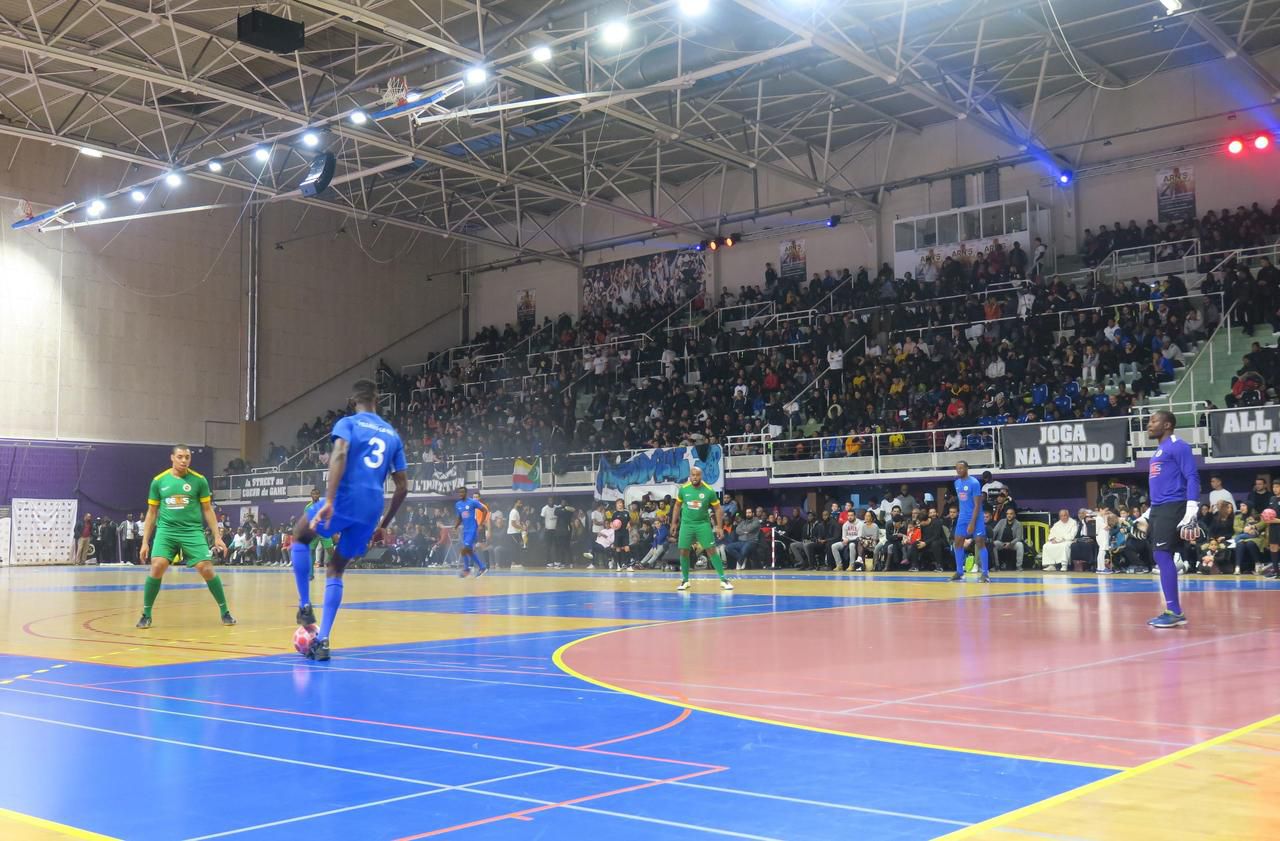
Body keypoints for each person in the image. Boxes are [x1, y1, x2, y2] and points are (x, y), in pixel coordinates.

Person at [290, 379, 409, 660]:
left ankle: (305, 605)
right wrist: (383, 524)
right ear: (376, 400)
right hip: (372, 508)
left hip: (345, 497)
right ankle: (324, 640)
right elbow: (403, 486)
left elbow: (340, 453)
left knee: (300, 536)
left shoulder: (348, 423)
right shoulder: (392, 434)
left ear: (352, 400)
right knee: (336, 568)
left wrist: (329, 501)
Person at [136, 446, 232, 628]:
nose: (184, 460)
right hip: (166, 531)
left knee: (206, 568)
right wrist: (144, 542)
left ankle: (225, 611)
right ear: (172, 457)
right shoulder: (158, 481)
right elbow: (151, 512)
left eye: (187, 457)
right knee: (157, 565)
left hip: (192, 531)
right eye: (180, 457)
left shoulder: (199, 481)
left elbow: (207, 510)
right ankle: (146, 614)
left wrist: (217, 536)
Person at [1135, 410, 1200, 628]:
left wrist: (1192, 509)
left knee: (1162, 555)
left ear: (1168, 425)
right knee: (1160, 555)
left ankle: (1174, 611)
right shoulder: (1159, 451)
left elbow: (1192, 477)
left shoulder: (1178, 446)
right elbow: (1160, 489)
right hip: (1159, 508)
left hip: (1174, 506)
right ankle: (1173, 608)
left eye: (1153, 421)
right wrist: (1146, 516)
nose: (1149, 425)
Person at [669, 465, 733, 591]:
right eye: (693, 475)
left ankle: (723, 579)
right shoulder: (683, 489)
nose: (695, 477)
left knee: (711, 550)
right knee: (683, 551)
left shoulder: (709, 490)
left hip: (703, 524)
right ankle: (685, 580)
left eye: (697, 475)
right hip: (686, 524)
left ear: (701, 476)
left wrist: (719, 527)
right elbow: (677, 506)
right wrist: (674, 523)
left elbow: (718, 509)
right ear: (690, 476)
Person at [949, 461, 989, 582]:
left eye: (961, 468)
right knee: (957, 543)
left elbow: (977, 505)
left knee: (980, 542)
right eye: (957, 468)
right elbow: (963, 502)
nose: (959, 470)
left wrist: (972, 523)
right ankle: (959, 572)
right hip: (962, 517)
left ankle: (985, 574)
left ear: (967, 468)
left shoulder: (974, 483)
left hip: (976, 517)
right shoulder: (956, 483)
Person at [453, 486, 489, 578]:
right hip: (465, 530)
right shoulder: (458, 504)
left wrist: (480, 524)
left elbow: (484, 510)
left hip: (473, 529)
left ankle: (467, 569)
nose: (461, 494)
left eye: (462, 492)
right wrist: (455, 527)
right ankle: (482, 567)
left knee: (465, 550)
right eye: (459, 493)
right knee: (468, 551)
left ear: (466, 493)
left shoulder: (472, 502)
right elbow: (460, 517)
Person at [304, 487, 332, 579]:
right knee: (311, 551)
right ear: (311, 495)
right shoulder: (308, 507)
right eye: (313, 494)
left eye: (317, 494)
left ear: (319, 495)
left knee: (330, 550)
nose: (315, 495)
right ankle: (310, 574)